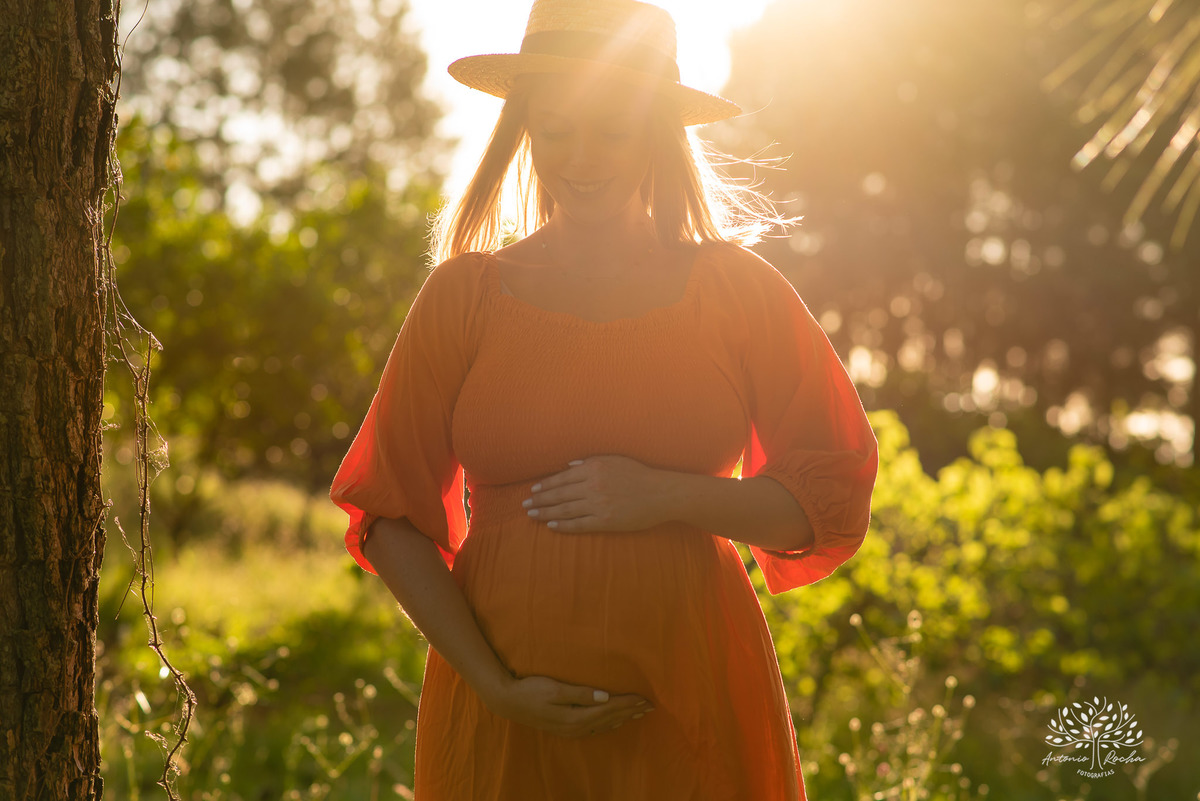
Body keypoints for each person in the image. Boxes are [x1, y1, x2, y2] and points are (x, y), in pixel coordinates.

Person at [329, 1, 879, 798]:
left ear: (656, 131)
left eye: (612, 130)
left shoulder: (738, 293)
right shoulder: (465, 296)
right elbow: (389, 515)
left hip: (693, 705)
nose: (581, 156)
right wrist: (494, 685)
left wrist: (666, 495)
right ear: (524, 130)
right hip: (504, 720)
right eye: (556, 129)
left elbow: (824, 501)